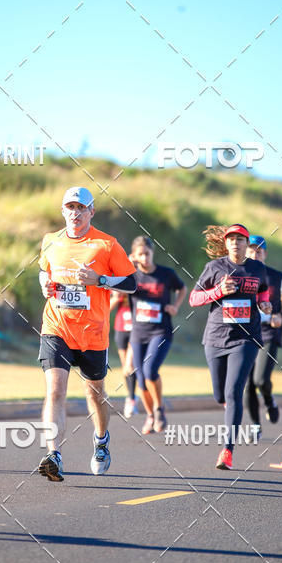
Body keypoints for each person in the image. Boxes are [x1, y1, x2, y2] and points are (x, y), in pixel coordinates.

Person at [37, 186, 136, 481]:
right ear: (63, 211)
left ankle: (101, 439)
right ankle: (53, 454)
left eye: (81, 208)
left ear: (92, 211)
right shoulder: (51, 240)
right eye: (70, 207)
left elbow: (131, 284)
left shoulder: (107, 245)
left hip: (93, 332)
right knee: (55, 389)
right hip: (57, 326)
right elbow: (44, 269)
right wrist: (45, 283)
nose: (75, 213)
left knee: (95, 393)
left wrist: (101, 279)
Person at [189, 224, 272, 470]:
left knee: (234, 391)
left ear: (248, 244)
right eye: (231, 239)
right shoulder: (214, 268)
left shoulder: (258, 269)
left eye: (240, 239)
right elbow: (195, 299)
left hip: (246, 339)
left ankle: (227, 450)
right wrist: (217, 291)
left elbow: (264, 294)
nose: (236, 243)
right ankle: (229, 407)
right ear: (226, 244)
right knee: (220, 395)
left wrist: (265, 306)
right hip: (215, 338)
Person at [127, 236, 186, 433]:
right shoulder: (131, 276)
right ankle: (150, 415)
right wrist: (126, 265)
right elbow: (115, 288)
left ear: (153, 253)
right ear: (134, 256)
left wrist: (175, 306)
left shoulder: (166, 274)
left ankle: (159, 409)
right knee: (141, 378)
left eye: (147, 253)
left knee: (150, 370)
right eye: (140, 255)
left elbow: (182, 288)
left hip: (160, 331)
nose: (144, 258)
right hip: (138, 333)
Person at [243, 235, 282, 438]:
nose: (254, 254)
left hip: (268, 333)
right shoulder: (239, 274)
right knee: (247, 383)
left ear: (265, 254)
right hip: (245, 334)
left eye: (259, 251)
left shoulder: (277, 277)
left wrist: (280, 315)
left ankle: (269, 400)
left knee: (260, 379)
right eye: (250, 250)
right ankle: (255, 425)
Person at [110, 289, 137, 418]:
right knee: (125, 369)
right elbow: (107, 309)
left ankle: (131, 400)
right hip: (121, 328)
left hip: (136, 329)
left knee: (129, 365)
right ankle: (131, 397)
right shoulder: (117, 283)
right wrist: (116, 297)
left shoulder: (138, 282)